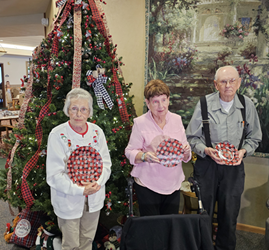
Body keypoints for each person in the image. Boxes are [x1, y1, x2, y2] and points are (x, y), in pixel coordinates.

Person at [186, 66, 262, 250]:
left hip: (234, 170)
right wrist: (206, 150)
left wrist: (243, 151)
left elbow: (255, 137)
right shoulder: (204, 104)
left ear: (239, 83)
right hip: (207, 167)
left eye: (232, 81)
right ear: (216, 84)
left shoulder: (247, 105)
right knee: (204, 214)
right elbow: (191, 137)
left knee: (229, 216)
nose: (228, 85)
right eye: (223, 81)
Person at [46, 88, 111, 250]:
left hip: (94, 198)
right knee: (71, 244)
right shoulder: (57, 134)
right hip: (68, 200)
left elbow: (106, 164)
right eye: (74, 108)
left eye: (83, 109)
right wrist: (80, 190)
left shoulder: (97, 132)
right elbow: (54, 175)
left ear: (89, 112)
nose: (78, 114)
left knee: (87, 240)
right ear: (67, 110)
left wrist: (96, 184)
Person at [125, 79, 191, 216]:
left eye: (164, 100)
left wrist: (186, 151)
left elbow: (185, 153)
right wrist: (144, 156)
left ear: (168, 100)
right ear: (148, 103)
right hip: (148, 183)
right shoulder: (140, 123)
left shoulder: (177, 120)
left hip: (173, 183)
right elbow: (130, 151)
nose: (161, 106)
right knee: (152, 227)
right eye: (155, 101)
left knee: (169, 224)